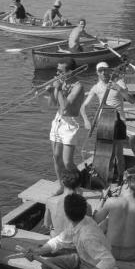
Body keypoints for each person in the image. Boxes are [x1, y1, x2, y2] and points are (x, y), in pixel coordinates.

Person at [80, 61, 134, 181]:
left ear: (109, 70)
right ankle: (105, 178)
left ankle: (120, 178)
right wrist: (86, 121)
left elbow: (132, 100)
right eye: (100, 70)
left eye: (105, 70)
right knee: (104, 153)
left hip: (119, 121)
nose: (103, 72)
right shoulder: (96, 88)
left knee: (118, 153)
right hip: (104, 123)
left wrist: (119, 89)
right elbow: (83, 107)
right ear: (97, 73)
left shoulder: (119, 82)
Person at [47, 58, 86, 196]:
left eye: (60, 71)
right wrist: (51, 91)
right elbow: (52, 104)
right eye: (57, 70)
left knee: (67, 161)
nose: (57, 73)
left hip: (70, 123)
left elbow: (65, 108)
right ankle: (62, 185)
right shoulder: (62, 84)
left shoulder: (78, 86)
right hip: (58, 121)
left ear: (70, 71)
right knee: (56, 157)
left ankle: (78, 186)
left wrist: (58, 88)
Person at [93, 174, 135, 261]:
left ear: (127, 185)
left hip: (109, 252)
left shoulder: (111, 201)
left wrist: (103, 198)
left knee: (106, 222)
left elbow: (95, 221)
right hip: (131, 254)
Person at [43, 169, 92, 236]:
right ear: (79, 185)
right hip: (76, 243)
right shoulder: (86, 205)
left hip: (58, 240)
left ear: (62, 182)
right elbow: (89, 227)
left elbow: (47, 224)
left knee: (52, 232)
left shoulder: (50, 201)